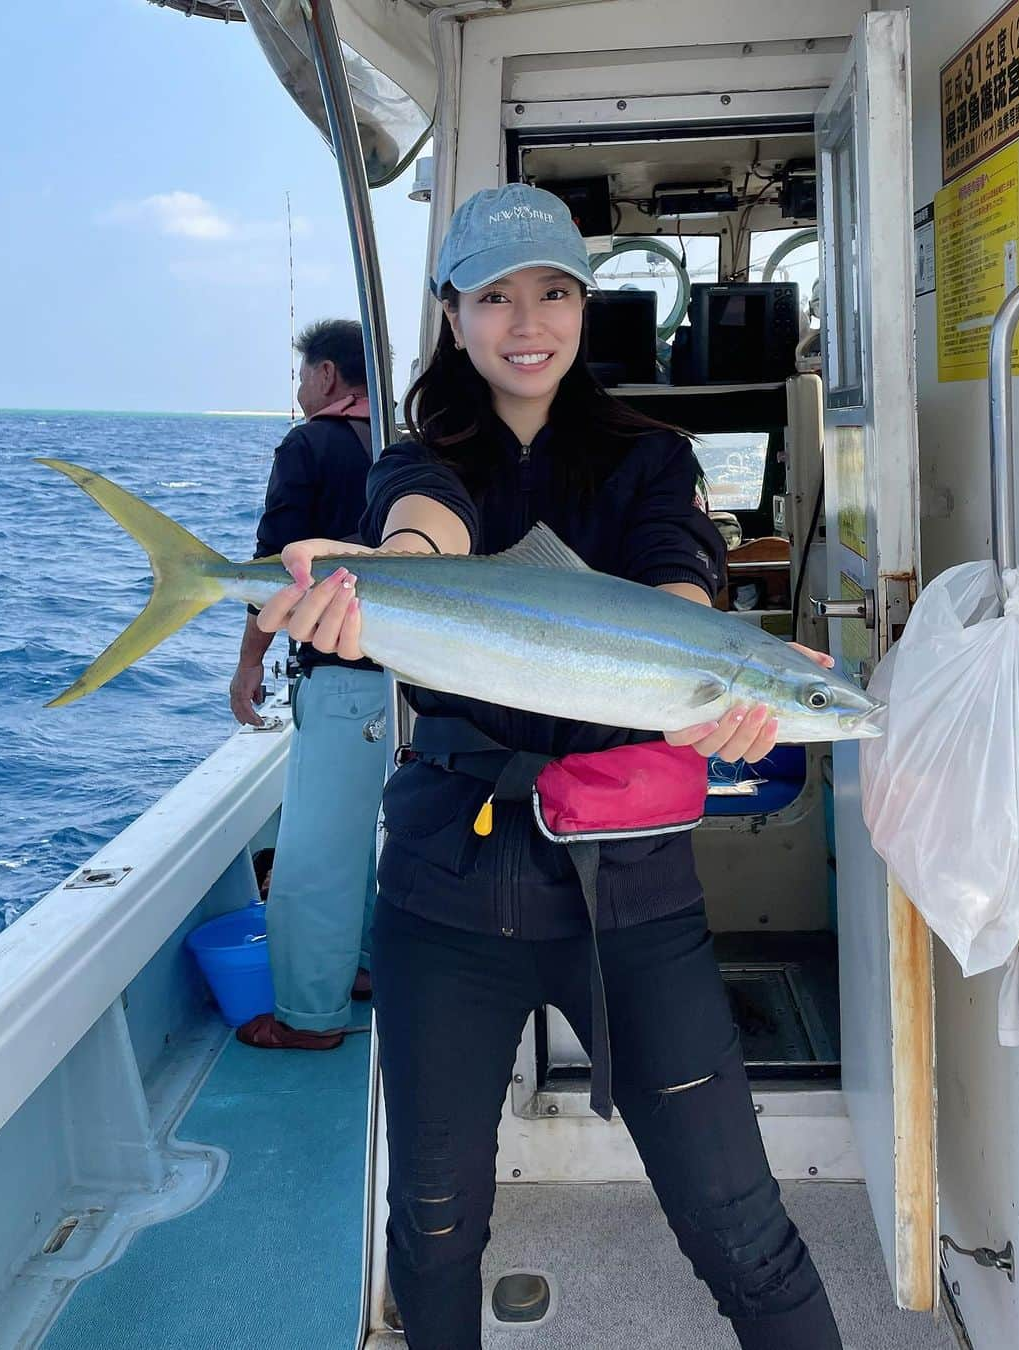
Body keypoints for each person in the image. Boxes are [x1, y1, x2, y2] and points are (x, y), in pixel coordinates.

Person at [257, 185, 843, 1348]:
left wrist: (714, 676)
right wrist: (376, 575)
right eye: (496, 294)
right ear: (455, 314)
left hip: (631, 894)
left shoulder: (649, 456)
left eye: (556, 291)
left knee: (742, 1223)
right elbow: (428, 532)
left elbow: (681, 577)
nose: (530, 320)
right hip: (443, 889)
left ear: (584, 304)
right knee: (431, 1227)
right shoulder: (419, 458)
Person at [233, 319, 386, 1051]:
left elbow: (276, 574)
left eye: (303, 377)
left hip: (344, 682)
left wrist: (246, 663)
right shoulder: (404, 447)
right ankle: (358, 968)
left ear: (327, 376)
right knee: (359, 841)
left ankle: (308, 1017)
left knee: (313, 857)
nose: (300, 392)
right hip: (413, 684)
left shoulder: (308, 445)